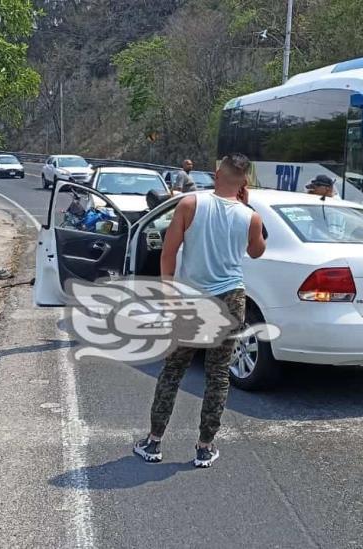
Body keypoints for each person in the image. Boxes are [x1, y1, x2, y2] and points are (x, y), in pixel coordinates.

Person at [134, 153, 266, 468]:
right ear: (244, 182)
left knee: (174, 369)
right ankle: (205, 446)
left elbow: (168, 252)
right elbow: (257, 251)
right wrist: (248, 207)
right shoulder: (250, 217)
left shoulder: (189, 205)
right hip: (231, 297)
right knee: (218, 374)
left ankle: (154, 442)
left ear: (216, 174)